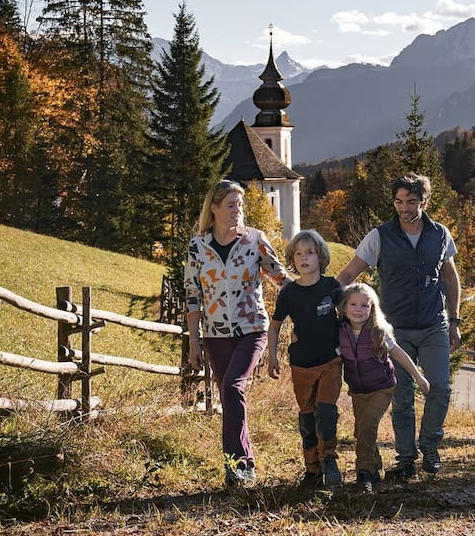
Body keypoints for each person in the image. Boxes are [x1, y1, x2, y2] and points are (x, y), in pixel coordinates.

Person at [337, 173, 462, 479]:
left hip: (434, 324)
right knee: (402, 395)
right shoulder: (379, 236)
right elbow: (348, 274)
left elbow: (450, 277)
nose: (404, 207)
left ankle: (430, 448)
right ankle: (406, 458)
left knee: (440, 388)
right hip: (394, 328)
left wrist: (455, 320)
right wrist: (330, 306)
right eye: (399, 201)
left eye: (411, 201)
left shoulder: (440, 234)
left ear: (425, 201)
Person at [184, 179, 289, 487]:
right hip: (215, 334)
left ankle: (238, 466)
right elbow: (192, 296)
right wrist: (194, 341)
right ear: (214, 208)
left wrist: (314, 294)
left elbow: (281, 278)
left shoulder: (255, 240)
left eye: (240, 205)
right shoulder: (198, 247)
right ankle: (242, 465)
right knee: (229, 395)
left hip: (252, 327)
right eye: (231, 205)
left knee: (232, 386)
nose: (238, 210)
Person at [267, 230, 344, 487]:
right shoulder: (289, 293)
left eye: (309, 252)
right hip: (301, 366)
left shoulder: (331, 287)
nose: (304, 258)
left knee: (326, 411)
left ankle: (329, 459)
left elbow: (349, 318)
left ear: (320, 256)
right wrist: (272, 357)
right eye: (298, 253)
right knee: (308, 417)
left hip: (330, 362)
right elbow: (275, 325)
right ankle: (312, 470)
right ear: (292, 259)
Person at [337, 282, 431, 492]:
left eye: (364, 305)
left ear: (372, 308)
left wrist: (419, 377)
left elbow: (399, 354)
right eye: (353, 304)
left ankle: (364, 472)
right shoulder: (340, 331)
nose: (358, 310)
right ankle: (374, 467)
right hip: (358, 390)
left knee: (367, 426)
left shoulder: (378, 332)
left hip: (382, 387)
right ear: (344, 307)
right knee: (360, 431)